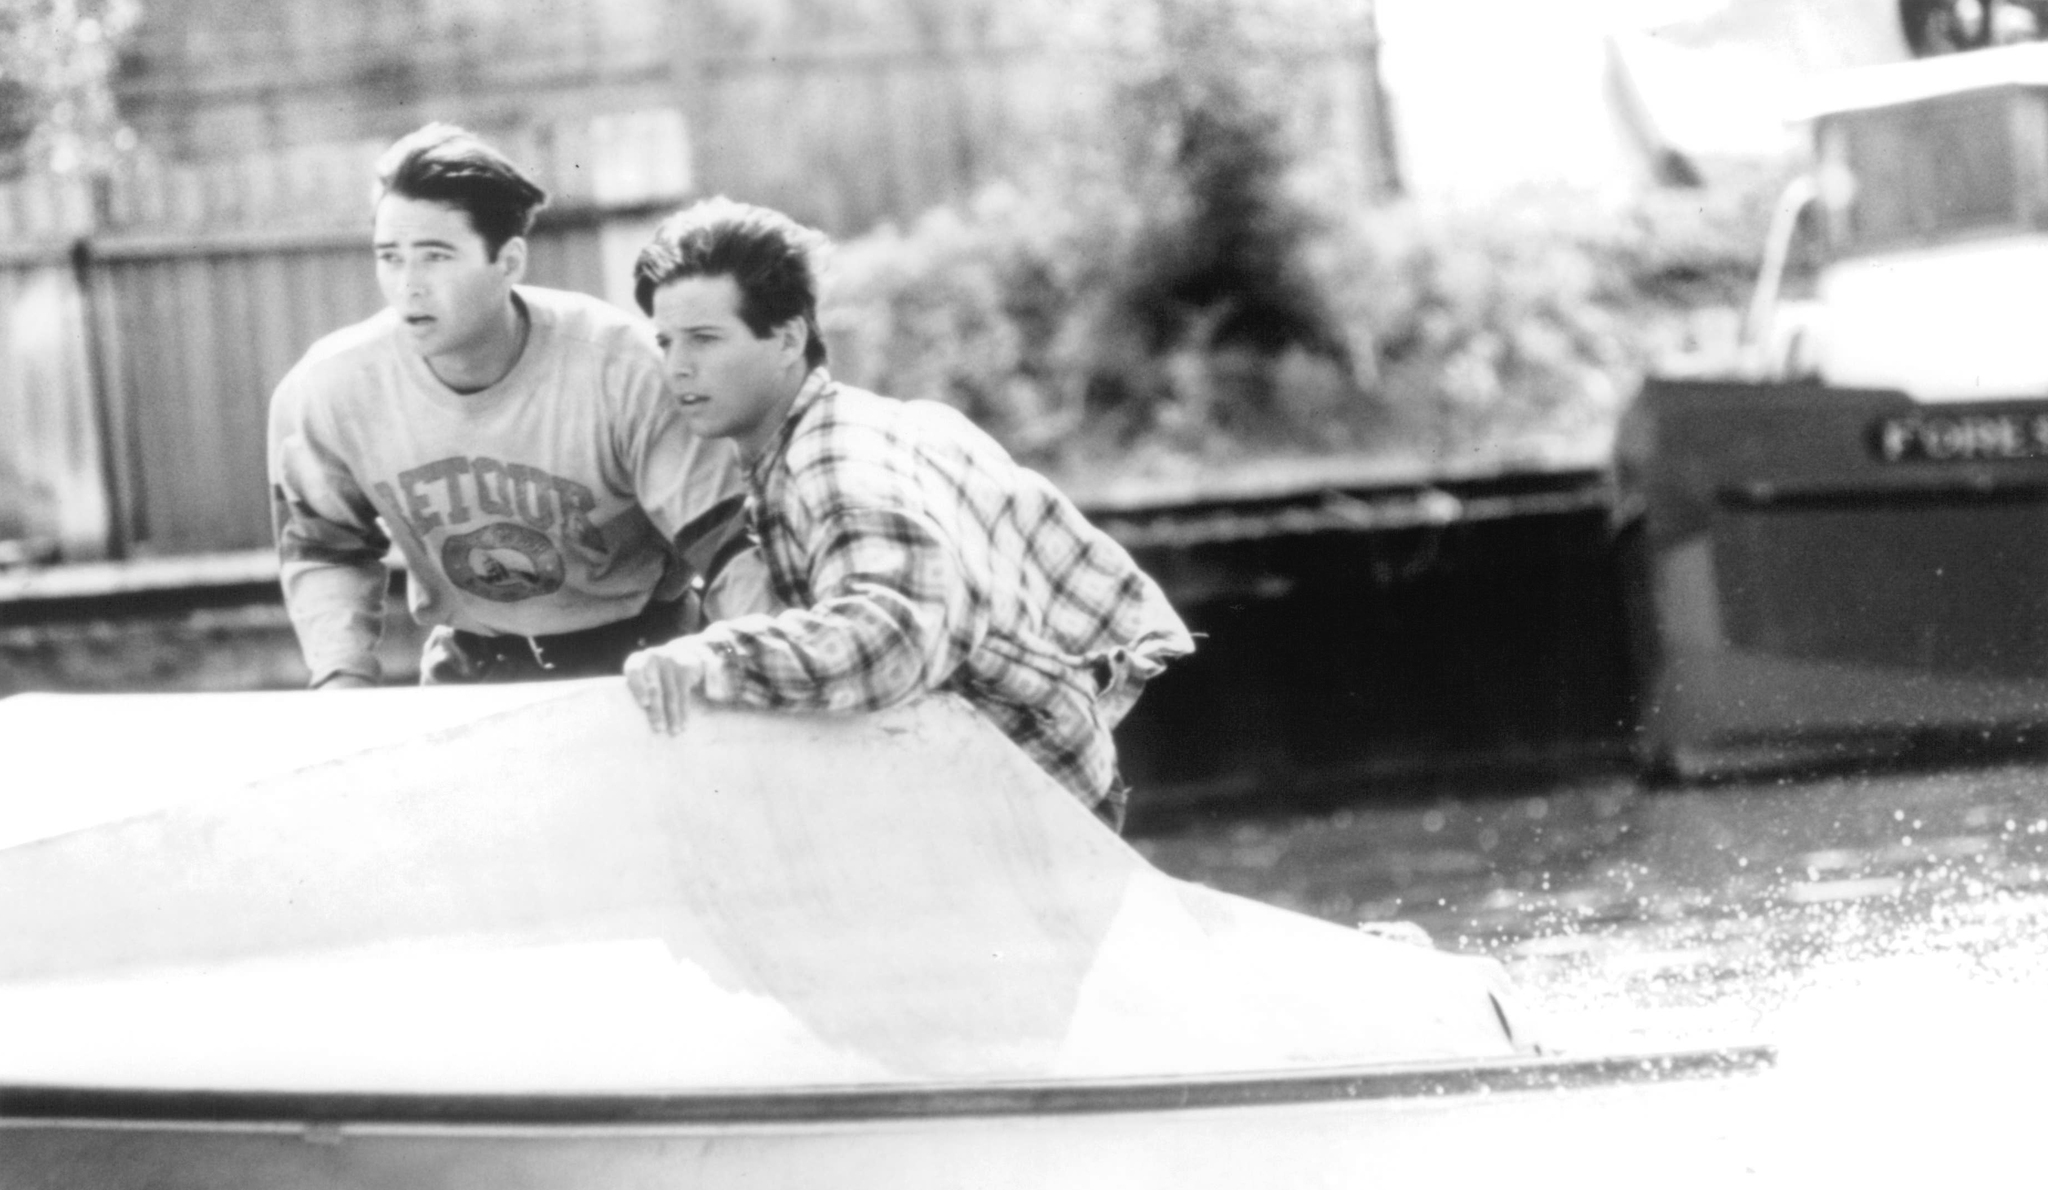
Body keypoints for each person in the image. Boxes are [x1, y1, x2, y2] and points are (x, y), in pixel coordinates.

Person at [619, 197, 1194, 830]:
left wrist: (711, 659)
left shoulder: (837, 461)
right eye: (665, 341)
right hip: (1030, 781)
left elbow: (891, 636)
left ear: (787, 339)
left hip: (1024, 813)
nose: (677, 367)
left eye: (704, 339)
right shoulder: (876, 421)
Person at [268, 124, 764, 689]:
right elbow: (323, 548)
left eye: (435, 256)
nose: (408, 285)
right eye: (390, 257)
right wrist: (341, 678)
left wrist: (756, 667)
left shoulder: (626, 370)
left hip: (644, 667)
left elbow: (726, 547)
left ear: (508, 261)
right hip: (468, 669)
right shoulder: (329, 387)